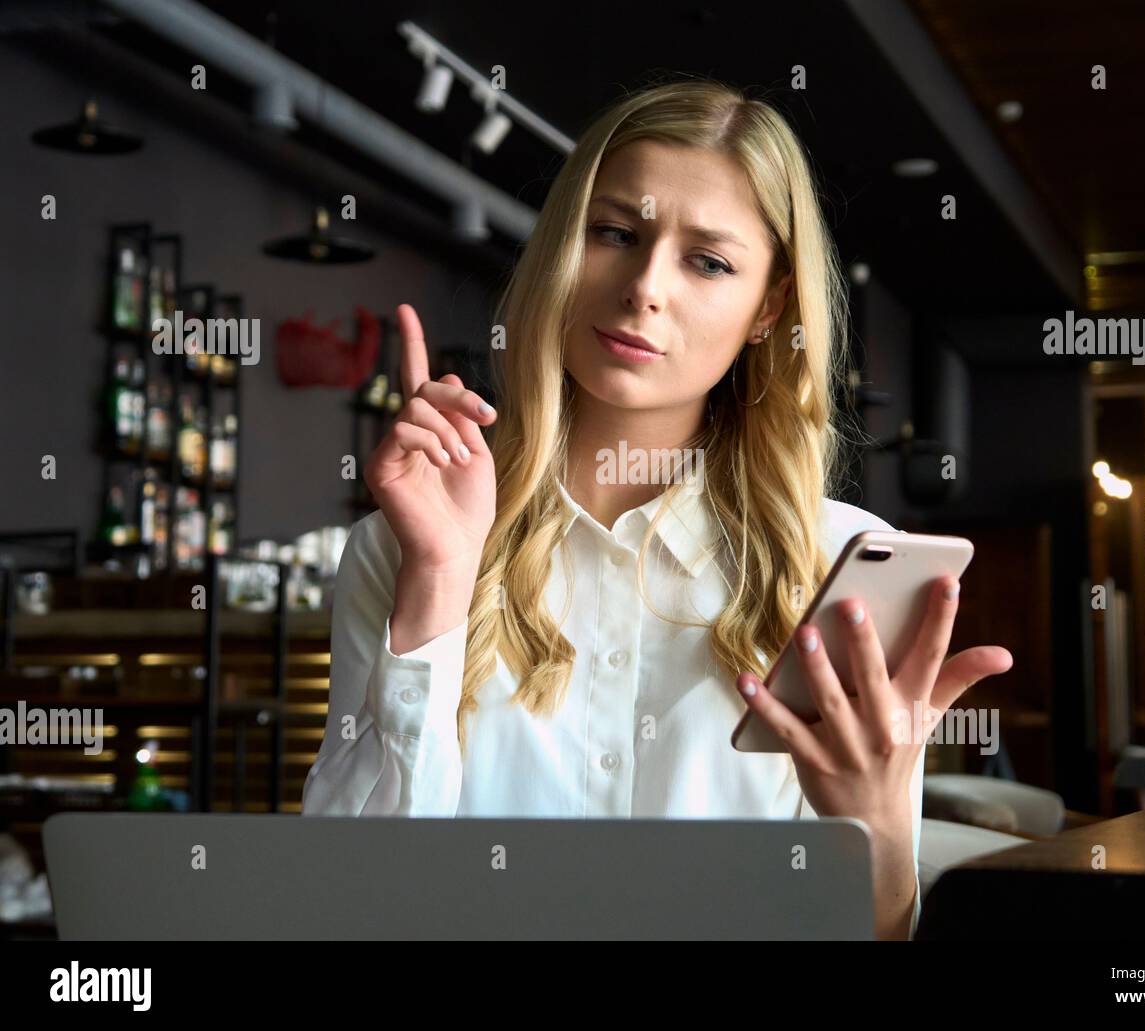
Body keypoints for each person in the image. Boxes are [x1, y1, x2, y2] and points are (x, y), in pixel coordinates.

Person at [301, 76, 1013, 940]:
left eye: (708, 261)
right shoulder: (402, 551)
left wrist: (880, 830)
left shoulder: (843, 563)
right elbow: (348, 905)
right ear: (564, 248)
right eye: (615, 233)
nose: (644, 286)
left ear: (769, 309)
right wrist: (440, 583)